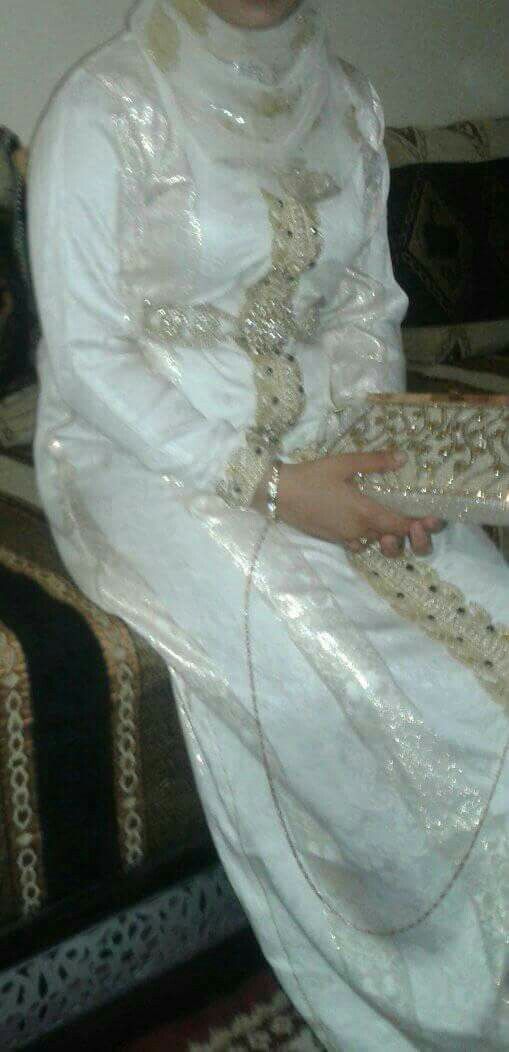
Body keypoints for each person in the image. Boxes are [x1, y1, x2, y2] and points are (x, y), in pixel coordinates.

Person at [28, 1, 509, 1048]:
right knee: (327, 666)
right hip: (143, 456)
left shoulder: (348, 101)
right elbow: (87, 356)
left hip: (323, 439)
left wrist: (372, 458)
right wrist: (276, 488)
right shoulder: (110, 104)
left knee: (492, 615)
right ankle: (420, 1001)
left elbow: (364, 308)